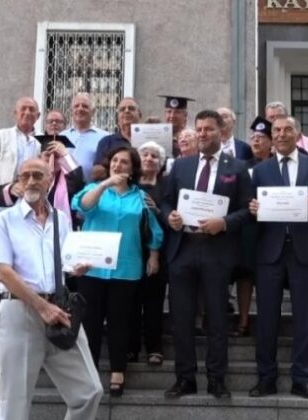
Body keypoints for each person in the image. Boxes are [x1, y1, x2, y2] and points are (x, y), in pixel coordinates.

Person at [0, 158, 102, 420]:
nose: (31, 181)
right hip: (19, 312)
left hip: (59, 309)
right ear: (18, 182)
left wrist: (75, 268)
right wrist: (41, 306)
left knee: (89, 392)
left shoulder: (61, 220)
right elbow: (4, 272)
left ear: (50, 180)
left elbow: (64, 263)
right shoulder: (5, 220)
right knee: (14, 405)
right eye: (25, 176)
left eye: (37, 175)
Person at [161, 110, 252, 400]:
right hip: (183, 248)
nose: (202, 134)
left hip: (217, 250)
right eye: (198, 129)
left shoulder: (236, 168)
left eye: (208, 129)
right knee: (182, 318)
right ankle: (185, 378)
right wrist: (170, 217)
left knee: (216, 319)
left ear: (221, 131)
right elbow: (164, 201)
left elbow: (246, 210)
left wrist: (224, 223)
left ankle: (216, 379)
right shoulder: (181, 166)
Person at [248, 115, 308, 401]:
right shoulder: (260, 171)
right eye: (277, 130)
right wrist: (253, 207)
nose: (282, 134)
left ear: (298, 134)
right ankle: (266, 378)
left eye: (287, 130)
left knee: (305, 318)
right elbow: (252, 212)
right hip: (269, 252)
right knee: (267, 319)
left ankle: (302, 379)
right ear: (271, 136)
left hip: (304, 251)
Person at [72, 146, 164, 396]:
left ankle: (117, 371)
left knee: (120, 322)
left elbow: (153, 227)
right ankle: (87, 373)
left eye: (124, 162)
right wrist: (103, 185)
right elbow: (82, 206)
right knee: (90, 322)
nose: (118, 165)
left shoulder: (140, 197)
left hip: (126, 267)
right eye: (115, 161)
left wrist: (154, 254)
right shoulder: (94, 189)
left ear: (133, 168)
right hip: (92, 268)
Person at [127, 141, 169, 365]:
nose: (150, 158)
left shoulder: (166, 187)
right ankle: (131, 347)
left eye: (155, 156)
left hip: (157, 253)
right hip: (129, 251)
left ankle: (155, 348)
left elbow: (171, 219)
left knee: (153, 302)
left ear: (160, 163)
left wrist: (158, 210)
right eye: (145, 154)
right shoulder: (129, 185)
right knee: (131, 302)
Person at [233, 116, 274, 338]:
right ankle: (243, 321)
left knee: (268, 276)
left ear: (271, 142)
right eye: (253, 137)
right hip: (247, 228)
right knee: (245, 275)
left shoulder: (278, 165)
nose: (256, 141)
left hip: (271, 229)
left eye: (261, 138)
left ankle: (267, 321)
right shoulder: (241, 167)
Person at [0, 96, 41, 186]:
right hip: (5, 195)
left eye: (32, 109)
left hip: (32, 193)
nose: (27, 112)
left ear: (38, 116)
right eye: (23, 109)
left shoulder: (42, 140)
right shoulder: (0, 136)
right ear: (15, 113)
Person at [61, 93, 109, 182]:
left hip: (90, 191)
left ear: (93, 111)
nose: (80, 109)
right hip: (64, 192)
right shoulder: (62, 136)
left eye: (85, 106)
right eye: (76, 106)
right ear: (71, 110)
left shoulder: (104, 137)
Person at [93, 97, 142, 165]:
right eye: (122, 109)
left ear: (140, 116)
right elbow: (98, 172)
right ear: (117, 118)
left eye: (131, 108)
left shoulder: (148, 139)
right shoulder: (106, 142)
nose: (126, 111)